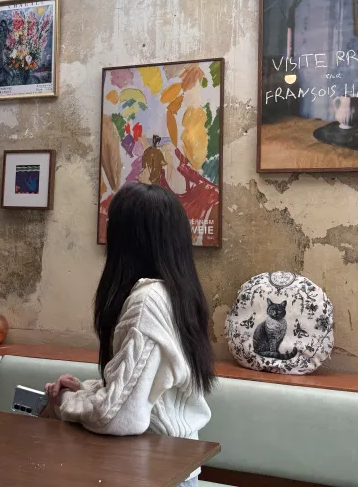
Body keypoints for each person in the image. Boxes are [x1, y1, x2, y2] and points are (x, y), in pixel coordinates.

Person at [41, 182, 215, 487]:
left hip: (155, 471)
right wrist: (86, 391)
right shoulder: (176, 292)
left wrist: (66, 402)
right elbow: (148, 391)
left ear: (126, 238)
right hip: (171, 465)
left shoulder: (147, 302)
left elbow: (120, 418)